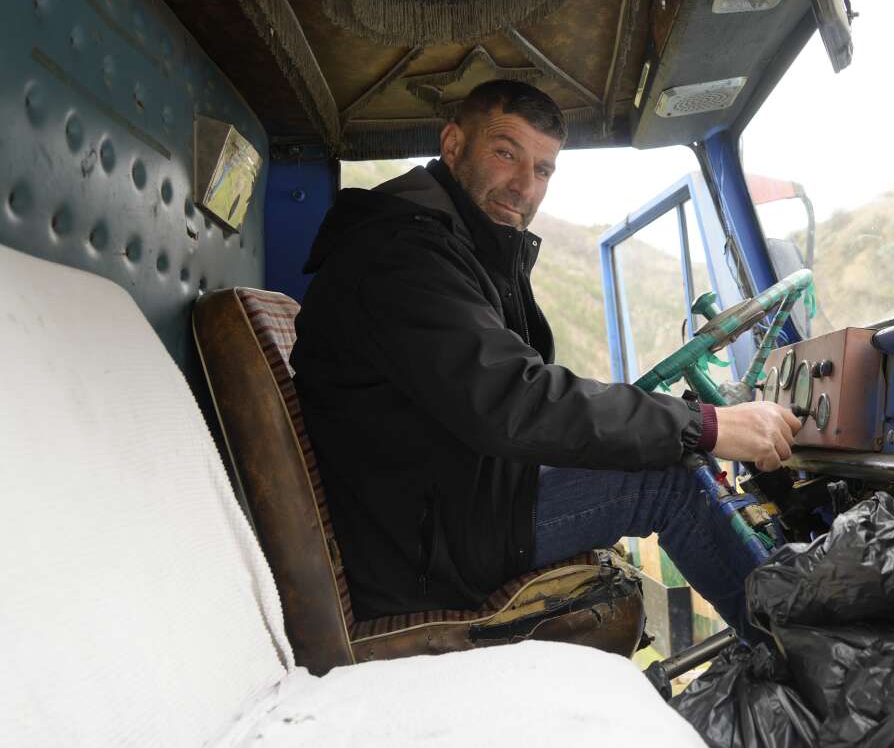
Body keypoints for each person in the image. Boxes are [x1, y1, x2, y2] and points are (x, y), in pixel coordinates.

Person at [291, 79, 800, 637]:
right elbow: (515, 402)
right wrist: (707, 423)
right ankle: (808, 658)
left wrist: (668, 426)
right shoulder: (403, 257)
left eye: (542, 169)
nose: (523, 185)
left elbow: (518, 392)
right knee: (665, 480)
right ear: (454, 146)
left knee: (655, 453)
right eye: (506, 153)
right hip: (419, 551)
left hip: (440, 508)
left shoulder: (463, 245)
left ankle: (793, 638)